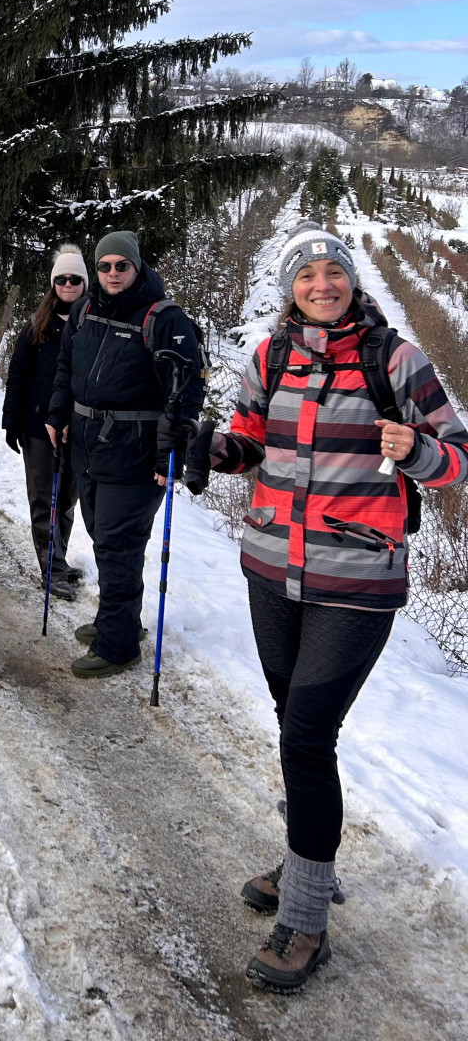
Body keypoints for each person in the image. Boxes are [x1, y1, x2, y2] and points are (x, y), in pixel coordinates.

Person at [184, 223, 468, 991]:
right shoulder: (270, 356)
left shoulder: (395, 360)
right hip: (270, 568)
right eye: (305, 275)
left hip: (358, 581)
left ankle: (306, 922)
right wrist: (212, 450)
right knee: (297, 732)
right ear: (290, 289)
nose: (321, 283)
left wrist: (418, 452)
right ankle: (308, 861)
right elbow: (250, 443)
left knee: (307, 736)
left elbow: (458, 457)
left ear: (351, 279)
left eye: (332, 271)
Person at [46, 230, 203, 680]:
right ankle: (119, 622)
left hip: (134, 455)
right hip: (88, 448)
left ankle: (118, 646)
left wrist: (169, 453)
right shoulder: (85, 309)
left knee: (119, 547)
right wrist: (57, 413)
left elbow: (185, 394)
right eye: (104, 266)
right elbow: (65, 368)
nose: (112, 273)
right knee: (104, 540)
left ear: (137, 267)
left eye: (121, 265)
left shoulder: (164, 319)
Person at [2, 248, 88, 598]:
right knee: (44, 498)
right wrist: (11, 423)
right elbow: (17, 375)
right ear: (53, 283)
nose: (68, 284)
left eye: (75, 279)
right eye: (61, 279)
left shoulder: (93, 322)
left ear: (85, 283)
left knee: (67, 498)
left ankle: (60, 558)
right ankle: (50, 568)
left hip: (78, 428)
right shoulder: (37, 326)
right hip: (38, 426)